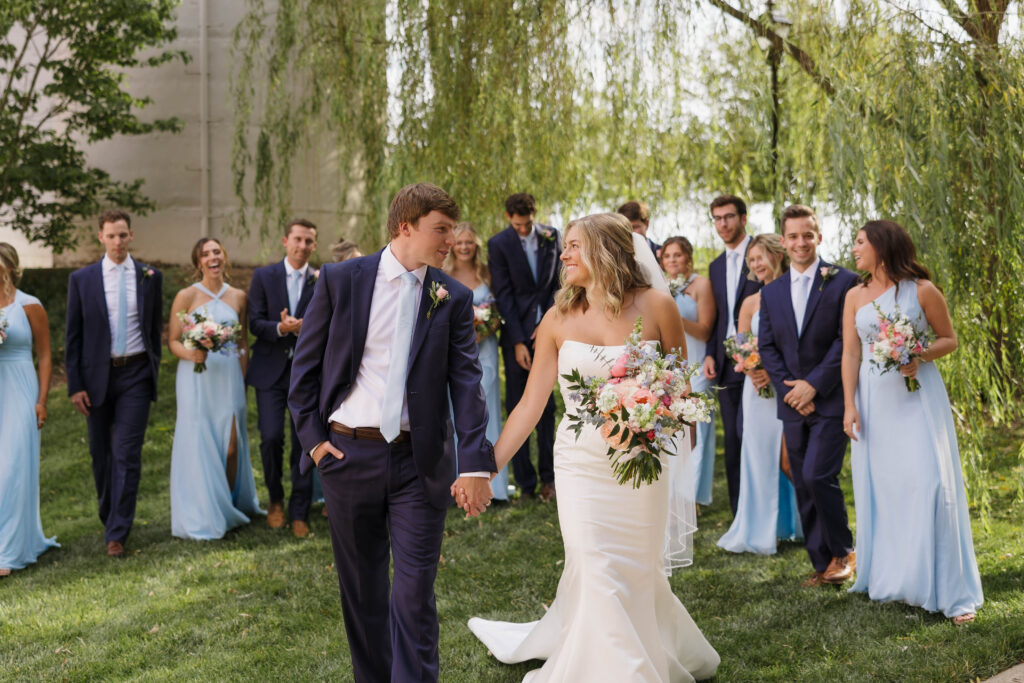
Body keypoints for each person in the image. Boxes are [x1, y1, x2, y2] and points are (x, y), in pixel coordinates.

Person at [466, 213, 719, 682]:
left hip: (642, 464)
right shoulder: (557, 318)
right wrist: (487, 469)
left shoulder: (658, 306)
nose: (564, 255)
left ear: (606, 250)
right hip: (580, 463)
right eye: (564, 246)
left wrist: (651, 424)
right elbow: (529, 406)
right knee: (595, 562)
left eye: (574, 245)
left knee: (636, 571)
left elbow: (680, 393)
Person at [288, 183, 496, 682]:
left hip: (417, 463)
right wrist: (316, 445)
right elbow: (306, 370)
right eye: (440, 229)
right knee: (363, 594)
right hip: (346, 456)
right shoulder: (341, 280)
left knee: (413, 593)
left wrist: (473, 463)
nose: (450, 239)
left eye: (451, 229)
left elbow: (468, 384)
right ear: (406, 225)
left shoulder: (452, 296)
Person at [842, 220, 982, 624]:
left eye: (860, 243)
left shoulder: (923, 291)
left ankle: (952, 592)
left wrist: (918, 356)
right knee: (886, 489)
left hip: (918, 399)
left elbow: (949, 339)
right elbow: (851, 354)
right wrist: (850, 405)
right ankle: (897, 580)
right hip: (874, 403)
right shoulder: (854, 295)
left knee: (931, 485)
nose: (854, 249)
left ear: (882, 247)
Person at [758, 204, 858, 587]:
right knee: (801, 479)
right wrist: (792, 390)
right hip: (792, 402)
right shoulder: (773, 292)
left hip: (830, 397)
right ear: (783, 242)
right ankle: (822, 564)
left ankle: (843, 550)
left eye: (808, 234)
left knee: (819, 474)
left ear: (819, 236)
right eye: (794, 236)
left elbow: (844, 341)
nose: (801, 242)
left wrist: (814, 385)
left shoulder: (843, 281)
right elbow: (768, 347)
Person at [66, 210, 163, 557]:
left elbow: (154, 330)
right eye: (111, 236)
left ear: (131, 236)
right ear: (101, 238)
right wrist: (75, 385)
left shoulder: (150, 276)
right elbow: (73, 337)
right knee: (100, 454)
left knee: (126, 452)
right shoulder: (83, 279)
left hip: (135, 373)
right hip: (95, 378)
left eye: (123, 235)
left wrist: (153, 367)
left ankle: (118, 531)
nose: (118, 242)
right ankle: (110, 515)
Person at [168, 238, 262, 540]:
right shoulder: (186, 296)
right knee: (200, 444)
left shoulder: (238, 297)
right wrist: (191, 353)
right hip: (197, 377)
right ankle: (207, 512)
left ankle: (228, 505)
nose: (212, 257)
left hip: (229, 379)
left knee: (231, 446)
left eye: (217, 252)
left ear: (225, 257)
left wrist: (243, 379)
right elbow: (172, 340)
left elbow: (243, 342)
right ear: (199, 262)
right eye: (206, 254)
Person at [717, 234, 803, 554]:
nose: (755, 264)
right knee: (756, 455)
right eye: (751, 260)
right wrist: (751, 367)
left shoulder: (796, 294)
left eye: (760, 257)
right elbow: (741, 343)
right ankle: (759, 527)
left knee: (788, 458)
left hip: (786, 386)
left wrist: (772, 368)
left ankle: (806, 520)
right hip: (757, 391)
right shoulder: (750, 302)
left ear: (777, 255)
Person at [248, 218, 319, 536]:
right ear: (285, 241)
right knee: (271, 437)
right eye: (298, 239)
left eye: (308, 241)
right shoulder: (264, 276)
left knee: (304, 443)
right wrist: (281, 328)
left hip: (307, 374)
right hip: (270, 372)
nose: (302, 246)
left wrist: (308, 328)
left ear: (314, 246)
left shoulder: (322, 278)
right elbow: (254, 323)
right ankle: (276, 499)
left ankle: (300, 509)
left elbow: (331, 323)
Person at [488, 192, 561, 501]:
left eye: (528, 223)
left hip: (549, 329)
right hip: (515, 334)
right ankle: (526, 483)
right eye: (518, 224)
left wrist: (549, 322)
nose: (523, 229)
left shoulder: (550, 235)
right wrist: (518, 341)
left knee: (548, 407)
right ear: (508, 218)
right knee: (518, 405)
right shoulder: (498, 244)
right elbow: (503, 294)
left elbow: (558, 283)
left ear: (535, 215)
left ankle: (549, 478)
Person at [0, 244, 59, 576]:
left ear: (8, 268)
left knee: (11, 470)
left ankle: (7, 553)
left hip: (21, 390)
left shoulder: (29, 305)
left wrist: (42, 400)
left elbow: (46, 356)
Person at [703, 195, 761, 516]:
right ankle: (740, 508)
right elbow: (718, 316)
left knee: (757, 432)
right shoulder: (715, 266)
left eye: (728, 217)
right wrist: (711, 354)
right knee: (734, 438)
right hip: (726, 364)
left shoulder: (762, 254)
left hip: (760, 361)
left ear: (743, 218)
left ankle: (765, 501)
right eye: (717, 218)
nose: (723, 224)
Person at [444, 222, 510, 503]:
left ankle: (494, 485)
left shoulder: (486, 273)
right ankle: (456, 483)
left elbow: (497, 311)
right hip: (453, 351)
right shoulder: (443, 274)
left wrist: (484, 325)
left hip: (484, 350)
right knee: (453, 410)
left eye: (468, 242)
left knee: (486, 408)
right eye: (459, 242)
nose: (463, 247)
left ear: (476, 245)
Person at [661, 236, 717, 506]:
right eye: (667, 256)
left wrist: (676, 318)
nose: (672, 260)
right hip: (672, 367)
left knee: (696, 430)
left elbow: (705, 330)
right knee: (674, 429)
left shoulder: (701, 285)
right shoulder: (659, 287)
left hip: (697, 364)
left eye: (677, 255)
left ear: (688, 257)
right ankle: (672, 491)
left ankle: (694, 495)